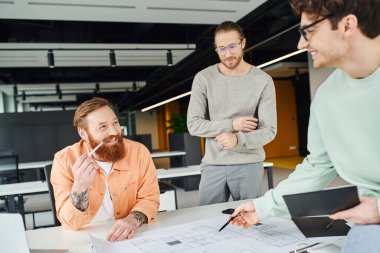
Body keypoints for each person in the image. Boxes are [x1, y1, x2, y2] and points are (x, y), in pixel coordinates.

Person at [230, 0, 380, 252]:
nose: (301, 44)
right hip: (370, 220)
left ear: (347, 25)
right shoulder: (327, 97)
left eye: (308, 32)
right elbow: (319, 165)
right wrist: (263, 206)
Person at [187, 21, 277, 205]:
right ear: (216, 49)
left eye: (232, 46)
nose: (227, 54)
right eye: (221, 49)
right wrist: (232, 125)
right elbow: (193, 124)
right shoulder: (203, 78)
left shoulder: (263, 80)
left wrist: (238, 139)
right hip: (213, 163)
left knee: (248, 222)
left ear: (243, 43)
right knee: (206, 221)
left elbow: (269, 130)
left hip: (249, 164)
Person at [51, 97, 160, 241]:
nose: (114, 131)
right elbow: (69, 222)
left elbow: (150, 198)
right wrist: (80, 185)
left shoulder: (139, 152)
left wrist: (133, 220)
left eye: (115, 122)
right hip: (85, 238)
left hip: (132, 234)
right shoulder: (64, 160)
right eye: (103, 127)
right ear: (83, 133)